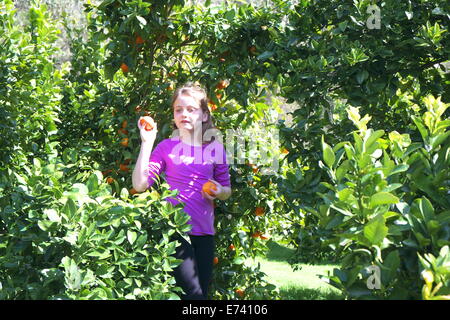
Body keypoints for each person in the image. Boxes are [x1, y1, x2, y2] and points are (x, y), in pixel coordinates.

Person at [132, 82, 232, 300]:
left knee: (200, 295)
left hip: (205, 233)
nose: (184, 114)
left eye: (191, 109)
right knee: (194, 296)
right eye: (179, 109)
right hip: (176, 232)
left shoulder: (215, 149)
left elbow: (227, 190)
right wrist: (146, 143)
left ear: (204, 115)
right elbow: (140, 185)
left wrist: (218, 191)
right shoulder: (166, 147)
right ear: (173, 115)